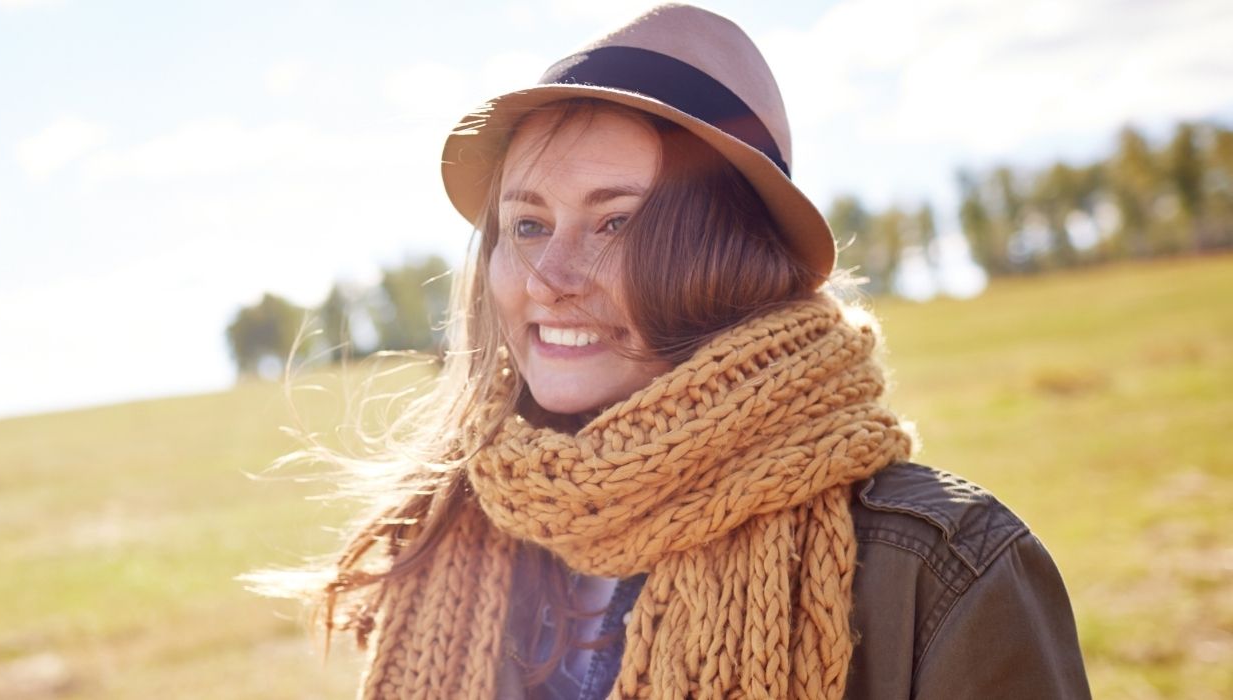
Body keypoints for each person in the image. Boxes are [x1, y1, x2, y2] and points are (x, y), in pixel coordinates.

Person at [251, 4, 1090, 698]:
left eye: (618, 223)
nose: (551, 277)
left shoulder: (939, 569)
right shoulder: (448, 539)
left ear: (734, 257)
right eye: (529, 224)